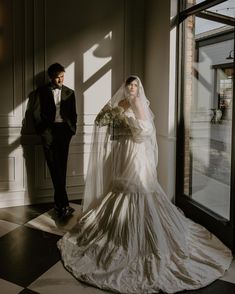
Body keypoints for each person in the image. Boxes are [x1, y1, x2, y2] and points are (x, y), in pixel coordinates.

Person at [58, 76, 232, 293]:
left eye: (135, 85)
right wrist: (112, 117)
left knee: (139, 190)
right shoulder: (120, 103)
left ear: (138, 88)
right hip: (122, 151)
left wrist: (127, 121)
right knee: (119, 190)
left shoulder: (138, 103)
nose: (132, 88)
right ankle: (115, 232)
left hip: (136, 154)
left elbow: (146, 131)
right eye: (129, 85)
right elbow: (104, 122)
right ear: (124, 87)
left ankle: (144, 235)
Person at [33, 63, 77, 219]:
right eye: (58, 76)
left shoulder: (70, 93)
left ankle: (60, 204)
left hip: (64, 133)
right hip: (49, 133)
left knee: (62, 168)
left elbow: (73, 114)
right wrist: (43, 132)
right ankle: (63, 204)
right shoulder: (41, 92)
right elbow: (35, 114)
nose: (60, 79)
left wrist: (72, 131)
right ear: (51, 77)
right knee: (54, 168)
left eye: (62, 76)